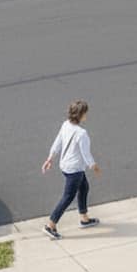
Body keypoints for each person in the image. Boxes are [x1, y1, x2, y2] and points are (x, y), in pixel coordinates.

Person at [42, 99, 101, 239]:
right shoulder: (82, 133)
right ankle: (51, 225)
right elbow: (86, 155)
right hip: (75, 169)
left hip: (66, 165)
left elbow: (57, 142)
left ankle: (84, 219)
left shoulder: (65, 125)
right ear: (81, 115)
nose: (87, 115)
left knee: (84, 187)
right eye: (85, 113)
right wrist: (95, 167)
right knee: (68, 197)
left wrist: (50, 158)